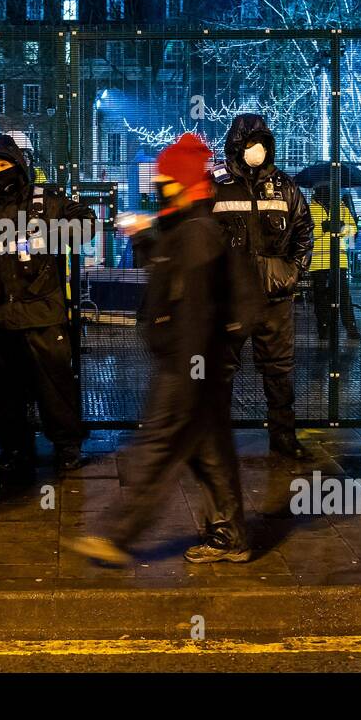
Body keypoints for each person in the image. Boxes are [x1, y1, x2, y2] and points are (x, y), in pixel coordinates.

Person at [68, 133, 250, 565]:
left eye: (164, 180)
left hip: (189, 362)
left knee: (159, 444)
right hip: (194, 361)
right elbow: (169, 276)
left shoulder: (198, 233)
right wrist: (145, 236)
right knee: (208, 450)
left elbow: (196, 307)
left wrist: (190, 370)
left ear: (181, 184)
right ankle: (230, 535)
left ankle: (118, 535)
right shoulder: (187, 227)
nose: (157, 187)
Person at [0, 135, 95, 479]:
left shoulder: (46, 202)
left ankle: (66, 447)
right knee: (5, 396)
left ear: (19, 167)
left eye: (4, 165)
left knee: (55, 388)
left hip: (42, 317)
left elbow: (87, 224)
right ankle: (14, 449)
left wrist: (54, 233)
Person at [212, 113, 314, 461]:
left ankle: (284, 439)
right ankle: (216, 441)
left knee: (279, 372)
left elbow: (304, 232)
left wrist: (292, 272)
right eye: (250, 143)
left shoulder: (285, 186)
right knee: (220, 372)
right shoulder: (215, 184)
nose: (256, 150)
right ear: (236, 146)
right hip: (230, 299)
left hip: (275, 298)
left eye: (262, 143)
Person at [309, 188, 361, 341]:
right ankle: (324, 329)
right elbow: (306, 233)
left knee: (343, 297)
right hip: (318, 262)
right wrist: (323, 228)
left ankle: (350, 328)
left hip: (339, 261)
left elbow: (353, 231)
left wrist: (342, 227)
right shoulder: (309, 209)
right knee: (321, 298)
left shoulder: (342, 208)